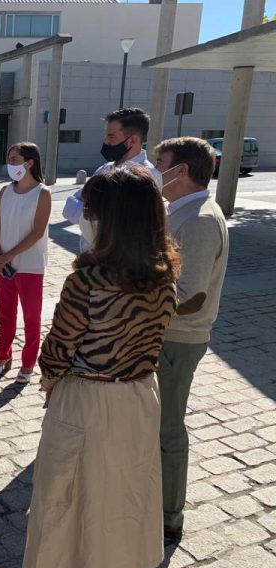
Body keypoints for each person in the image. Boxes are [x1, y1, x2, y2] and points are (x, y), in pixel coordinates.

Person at [23, 166, 180, 568]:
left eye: (93, 212)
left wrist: (49, 381)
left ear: (112, 219)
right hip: (141, 397)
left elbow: (58, 349)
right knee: (124, 497)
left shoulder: (88, 280)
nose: (88, 218)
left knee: (68, 498)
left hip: (88, 399)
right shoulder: (165, 274)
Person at [153, 137, 229, 546]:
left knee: (167, 428)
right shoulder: (179, 211)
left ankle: (169, 516)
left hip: (177, 340)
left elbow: (190, 296)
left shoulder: (198, 219)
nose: (155, 168)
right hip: (167, 337)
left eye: (160, 162)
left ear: (180, 171)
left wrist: (137, 309)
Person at [0, 142, 51, 384]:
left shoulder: (42, 194)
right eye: (9, 159)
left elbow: (37, 233)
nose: (10, 164)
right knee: (5, 314)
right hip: (3, 265)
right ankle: (2, 355)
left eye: (15, 159)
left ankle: (28, 363)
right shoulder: (6, 191)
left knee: (31, 318)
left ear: (30, 163)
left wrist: (8, 255)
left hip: (30, 266)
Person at [63, 107, 161, 253]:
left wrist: (90, 213)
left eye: (111, 136)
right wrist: (98, 214)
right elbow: (70, 205)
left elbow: (122, 225)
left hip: (118, 264)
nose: (105, 142)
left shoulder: (149, 176)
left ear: (133, 140)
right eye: (106, 135)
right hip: (89, 259)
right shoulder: (105, 169)